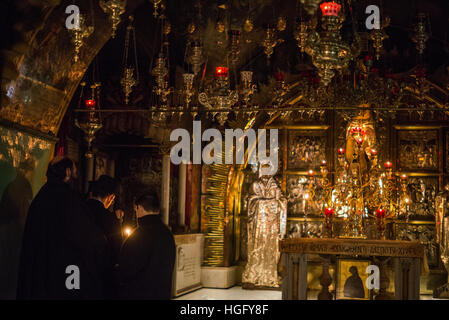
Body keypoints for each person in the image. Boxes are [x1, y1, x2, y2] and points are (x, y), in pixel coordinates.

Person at [17, 157, 109, 299]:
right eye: (74, 171)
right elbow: (89, 237)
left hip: (42, 271)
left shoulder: (40, 197)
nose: (76, 175)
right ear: (67, 172)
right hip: (66, 272)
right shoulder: (68, 200)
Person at [118, 192, 175, 300]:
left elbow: (126, 271)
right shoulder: (167, 234)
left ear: (139, 208)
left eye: (136, 210)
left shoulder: (139, 236)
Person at [0, 158, 34, 299]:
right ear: (25, 172)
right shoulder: (22, 190)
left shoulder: (10, 187)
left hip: (8, 234)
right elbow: (22, 216)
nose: (32, 175)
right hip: (16, 234)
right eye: (31, 171)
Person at [86, 175, 122, 299]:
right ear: (110, 197)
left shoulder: (77, 210)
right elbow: (117, 252)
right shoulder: (110, 219)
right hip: (100, 278)